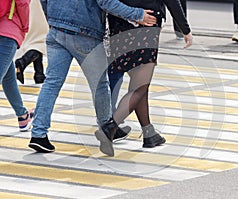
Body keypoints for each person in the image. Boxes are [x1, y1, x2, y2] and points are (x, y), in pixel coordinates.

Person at [27, 0, 157, 153]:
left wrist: (53, 19)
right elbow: (106, 2)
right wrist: (138, 14)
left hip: (57, 29)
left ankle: (38, 134)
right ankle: (107, 128)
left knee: (51, 83)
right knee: (100, 85)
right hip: (85, 32)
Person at [95, 0, 193, 157]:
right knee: (139, 88)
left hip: (120, 23)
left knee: (140, 84)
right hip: (147, 24)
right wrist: (185, 29)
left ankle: (149, 133)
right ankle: (110, 127)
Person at [0, 0, 34, 132]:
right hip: (7, 31)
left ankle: (22, 116)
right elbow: (22, 3)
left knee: (8, 77)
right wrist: (25, 26)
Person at [14, 0, 48, 85]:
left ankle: (39, 75)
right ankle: (23, 62)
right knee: (41, 40)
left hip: (27, 9)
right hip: (38, 9)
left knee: (35, 41)